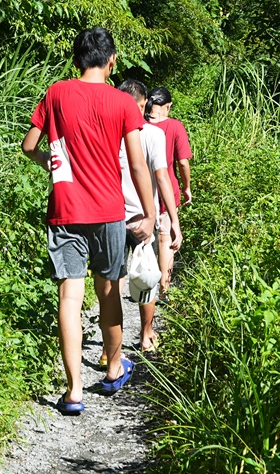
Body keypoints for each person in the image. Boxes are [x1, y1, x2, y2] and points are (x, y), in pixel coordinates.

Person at [21, 28, 156, 416]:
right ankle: (114, 369)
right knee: (108, 290)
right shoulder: (122, 103)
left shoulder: (57, 93)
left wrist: (52, 163)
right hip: (109, 212)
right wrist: (148, 214)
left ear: (75, 60)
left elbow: (31, 145)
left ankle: (74, 389)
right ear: (111, 61)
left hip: (66, 208)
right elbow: (136, 164)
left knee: (70, 295)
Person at [115, 79, 181, 353]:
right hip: (145, 218)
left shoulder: (109, 132)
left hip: (112, 217)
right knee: (147, 277)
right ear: (144, 104)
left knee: (112, 284)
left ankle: (110, 347)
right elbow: (163, 179)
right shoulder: (154, 134)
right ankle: (146, 334)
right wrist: (173, 219)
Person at [145, 86, 192, 293]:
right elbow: (182, 162)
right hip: (167, 191)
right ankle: (164, 287)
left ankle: (142, 284)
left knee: (144, 240)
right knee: (166, 239)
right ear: (167, 106)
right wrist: (186, 187)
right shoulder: (175, 126)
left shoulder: (139, 124)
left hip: (143, 189)